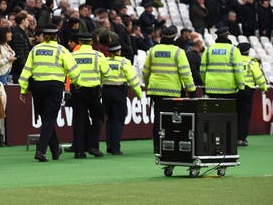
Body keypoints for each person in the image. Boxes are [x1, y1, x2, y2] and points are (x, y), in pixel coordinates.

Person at [19, 25, 80, 162]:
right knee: (49, 119)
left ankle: (55, 149)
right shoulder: (61, 50)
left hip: (37, 86)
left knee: (46, 119)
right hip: (55, 86)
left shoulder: (35, 50)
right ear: (56, 36)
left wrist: (23, 90)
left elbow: (26, 71)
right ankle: (41, 150)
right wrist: (78, 83)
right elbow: (74, 71)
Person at [142, 25, 196, 153]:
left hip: (155, 91)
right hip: (172, 92)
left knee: (158, 119)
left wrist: (149, 85)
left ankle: (157, 146)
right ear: (174, 37)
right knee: (173, 120)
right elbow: (185, 73)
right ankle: (170, 146)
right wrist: (191, 89)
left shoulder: (153, 50)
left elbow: (145, 72)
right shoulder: (178, 52)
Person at [71, 32, 110, 158]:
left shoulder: (73, 55)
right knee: (97, 119)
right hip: (94, 92)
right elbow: (107, 73)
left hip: (78, 91)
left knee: (78, 121)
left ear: (80, 42)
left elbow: (67, 71)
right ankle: (94, 147)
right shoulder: (98, 55)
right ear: (91, 42)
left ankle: (79, 151)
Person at [102, 42, 142, 155]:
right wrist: (139, 94)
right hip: (119, 93)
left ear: (108, 52)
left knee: (110, 119)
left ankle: (109, 145)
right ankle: (115, 147)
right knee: (118, 120)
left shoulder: (103, 61)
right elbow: (133, 79)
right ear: (119, 51)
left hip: (106, 92)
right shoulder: (124, 62)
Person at [235, 43, 268, 146]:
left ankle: (232, 137)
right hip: (246, 90)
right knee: (245, 115)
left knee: (235, 114)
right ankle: (241, 139)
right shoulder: (252, 62)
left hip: (234, 90)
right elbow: (258, 76)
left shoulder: (234, 61)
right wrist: (264, 87)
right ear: (248, 51)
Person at [200, 27, 244, 99]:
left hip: (211, 88)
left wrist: (205, 83)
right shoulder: (234, 50)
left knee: (213, 110)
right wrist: (241, 87)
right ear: (227, 36)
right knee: (227, 110)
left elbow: (202, 70)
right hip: (229, 88)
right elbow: (238, 70)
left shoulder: (209, 50)